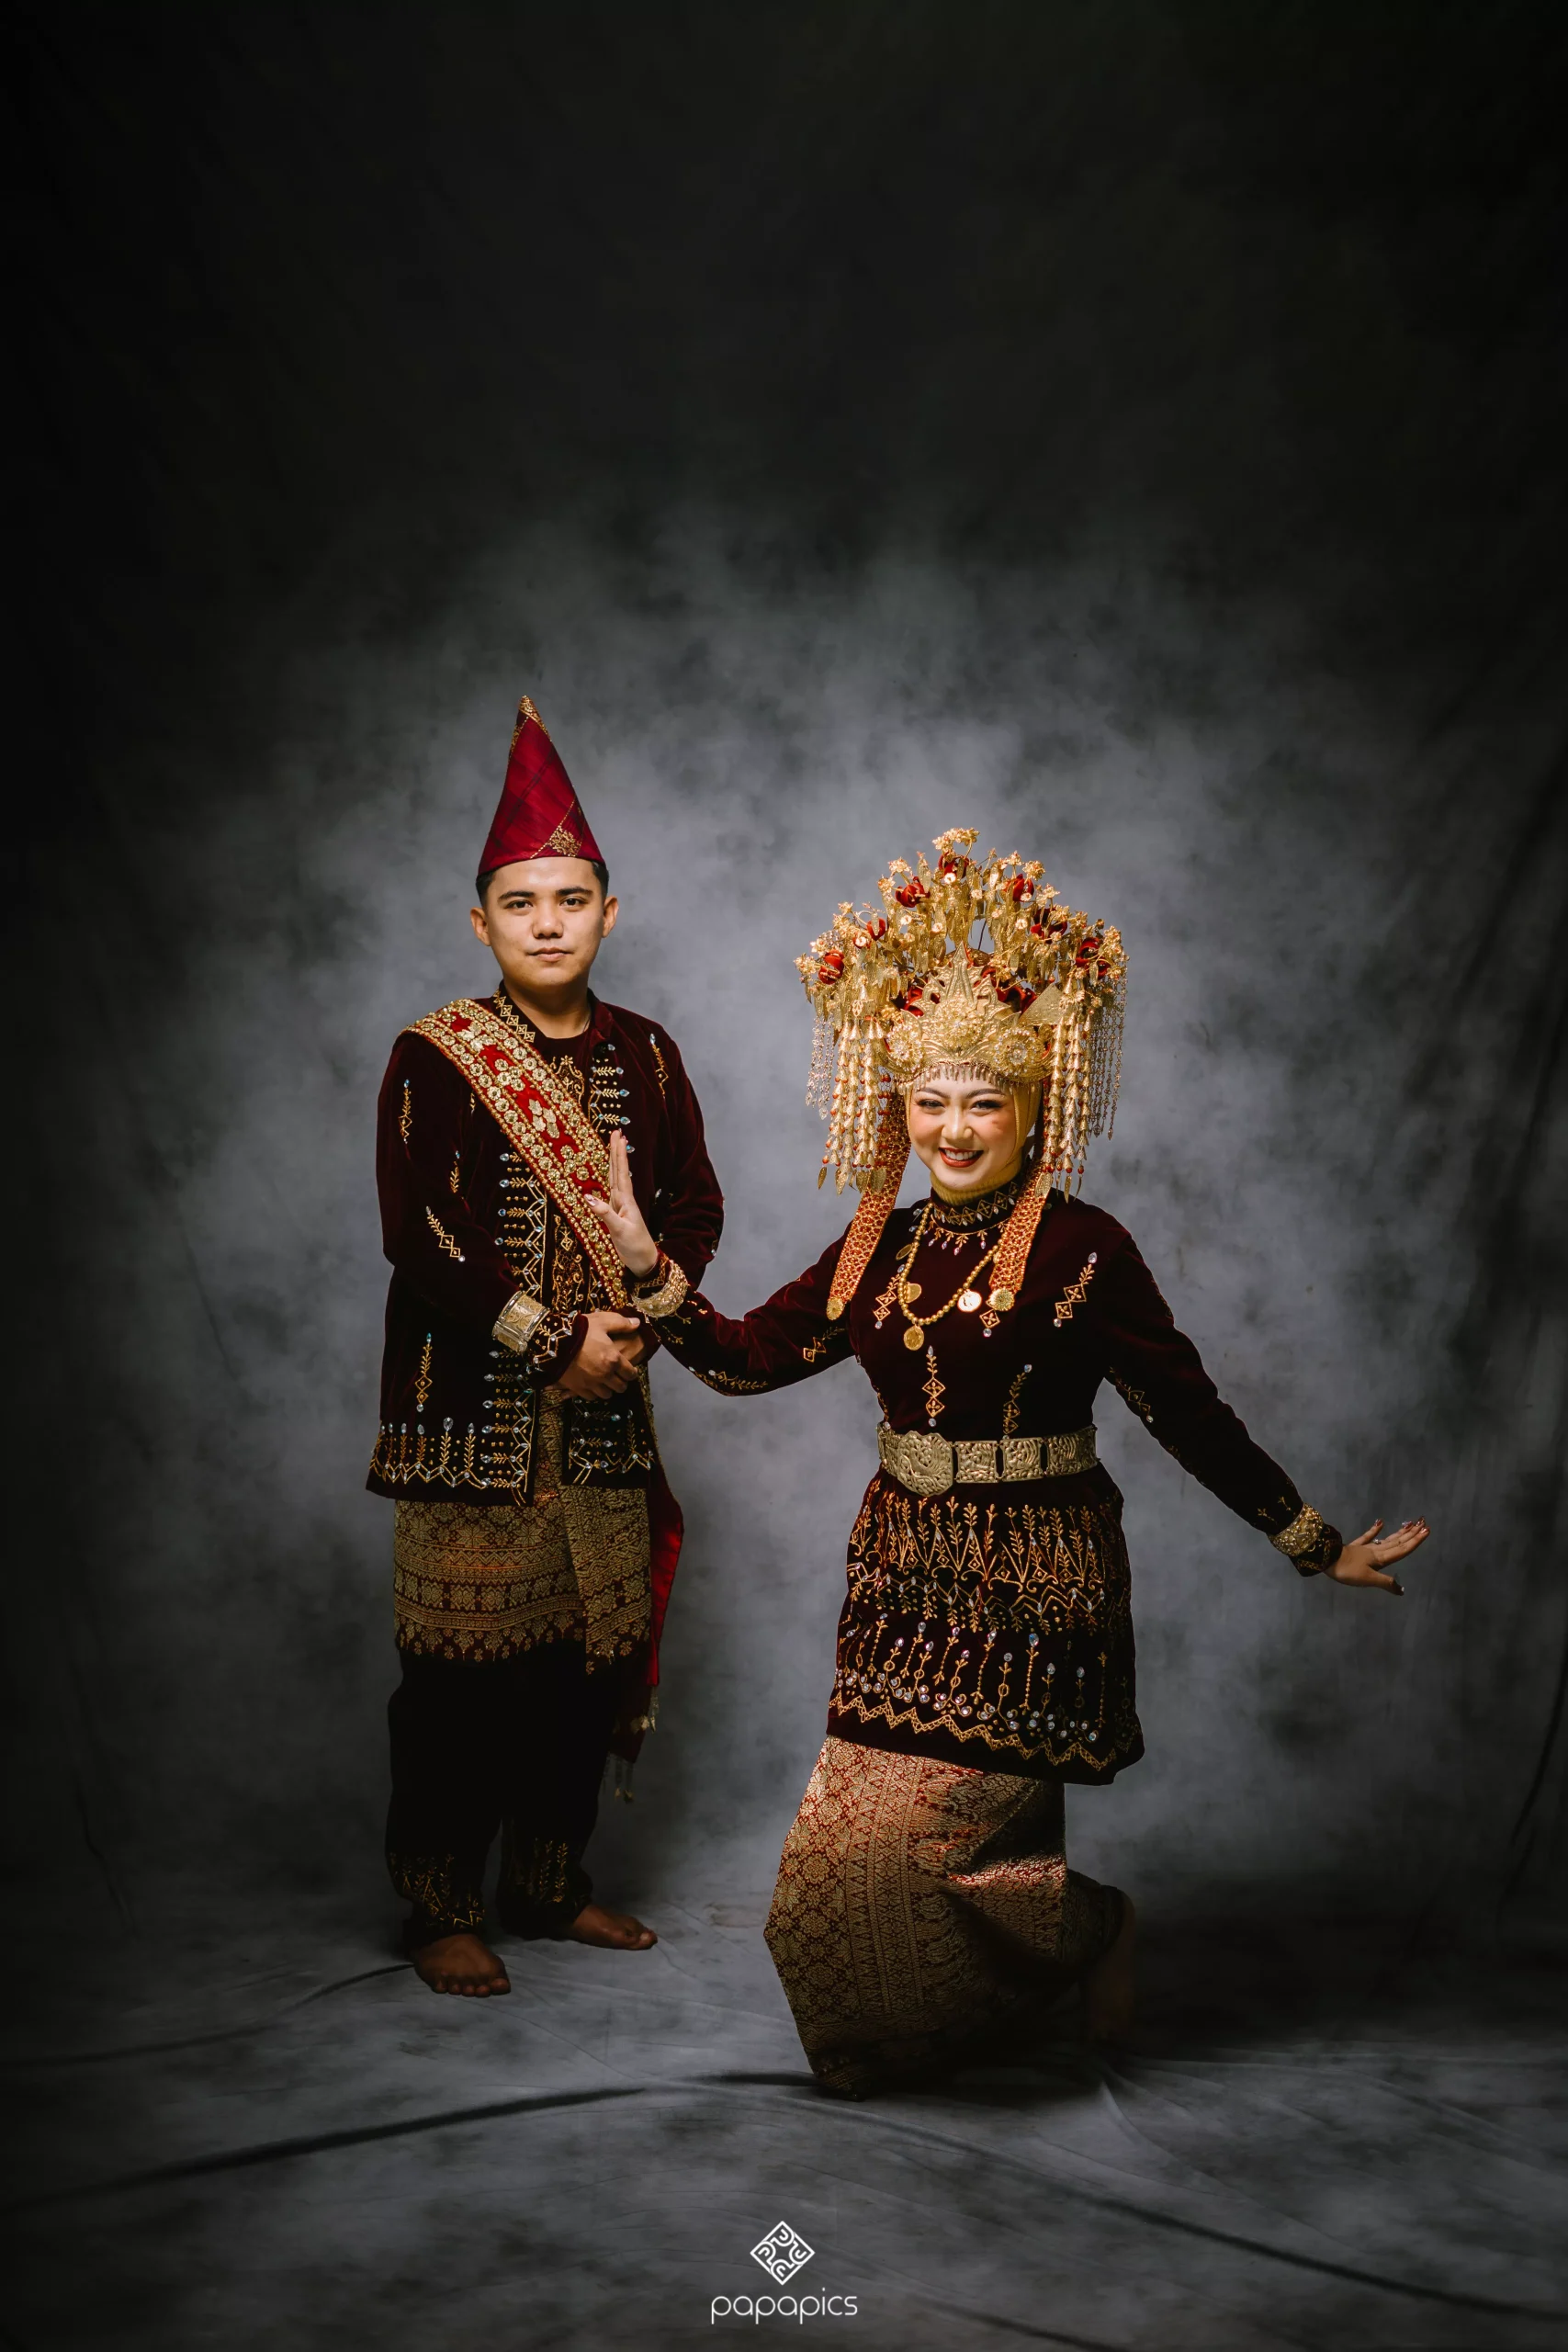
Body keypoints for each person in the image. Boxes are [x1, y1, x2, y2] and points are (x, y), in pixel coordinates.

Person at [586, 828, 1428, 2097]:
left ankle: (1092, 1928)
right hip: (900, 1572)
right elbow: (745, 1359)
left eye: (982, 1099)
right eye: (929, 1100)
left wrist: (1312, 1542)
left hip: (1038, 1577)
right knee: (828, 1880)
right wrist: (652, 1271)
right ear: (899, 1108)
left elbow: (1187, 1412)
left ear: (1033, 1105)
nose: (953, 1127)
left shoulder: (1087, 1247)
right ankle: (953, 2014)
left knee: (934, 1844)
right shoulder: (874, 1243)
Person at [367, 695, 723, 1996]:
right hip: (471, 1421)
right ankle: (438, 1906)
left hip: (611, 1415)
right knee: (459, 1684)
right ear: (483, 924)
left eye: (571, 900)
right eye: (520, 904)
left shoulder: (650, 1055)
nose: (548, 922)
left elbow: (695, 1204)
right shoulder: (437, 1059)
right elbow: (422, 1234)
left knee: (584, 1669)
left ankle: (550, 1882)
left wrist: (640, 1310)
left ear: (608, 914)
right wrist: (551, 1340)